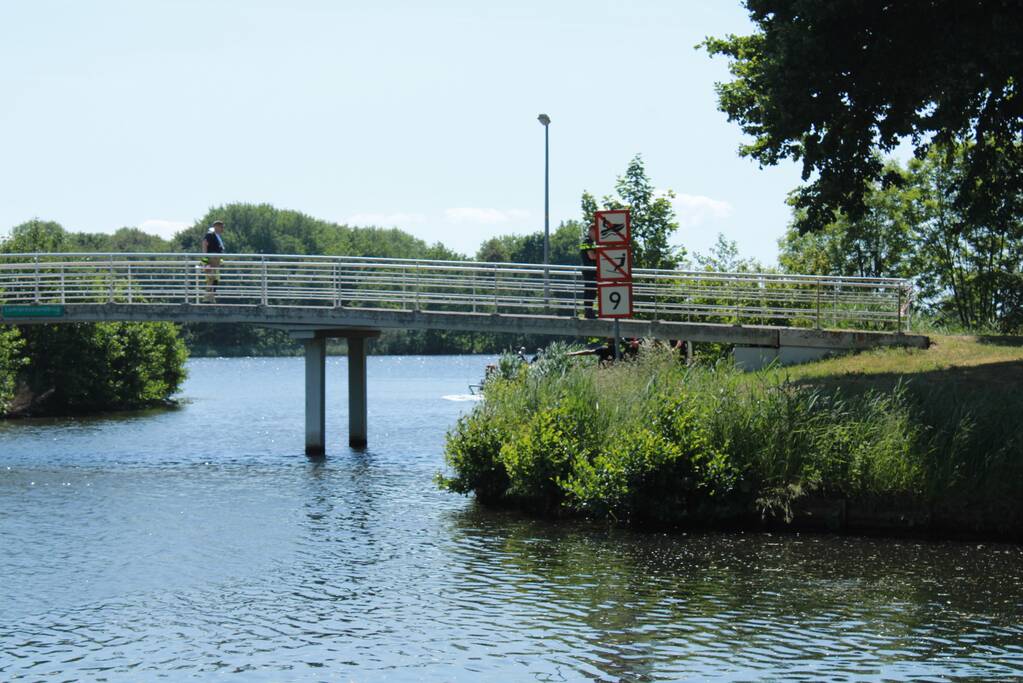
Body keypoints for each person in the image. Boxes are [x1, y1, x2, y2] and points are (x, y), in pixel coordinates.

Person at [201, 220, 226, 302]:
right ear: (216, 227)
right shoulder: (210, 234)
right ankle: (207, 299)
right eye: (221, 227)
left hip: (216, 261)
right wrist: (205, 261)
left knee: (215, 280)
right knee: (211, 279)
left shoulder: (216, 235)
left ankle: (211, 297)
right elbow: (204, 244)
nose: (223, 229)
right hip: (211, 261)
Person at [579, 223, 598, 318]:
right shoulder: (587, 242)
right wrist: (604, 255)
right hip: (589, 270)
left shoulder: (590, 242)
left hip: (590, 270)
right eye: (596, 232)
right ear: (592, 231)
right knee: (590, 291)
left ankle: (589, 311)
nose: (597, 235)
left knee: (591, 291)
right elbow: (592, 256)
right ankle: (588, 311)